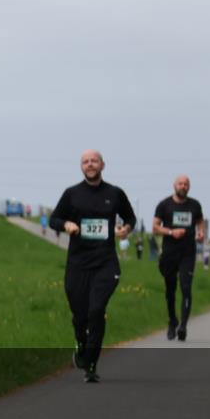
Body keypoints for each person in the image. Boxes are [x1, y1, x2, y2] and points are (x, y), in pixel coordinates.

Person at [50, 150, 136, 382]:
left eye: (94, 161)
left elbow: (131, 218)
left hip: (105, 262)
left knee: (96, 310)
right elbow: (53, 219)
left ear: (102, 165)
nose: (90, 164)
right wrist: (66, 223)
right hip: (78, 263)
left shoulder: (115, 194)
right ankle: (80, 342)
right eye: (85, 162)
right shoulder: (72, 194)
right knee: (80, 315)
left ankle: (91, 364)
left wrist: (125, 229)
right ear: (81, 167)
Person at [152, 175, 205, 342]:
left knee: (186, 287)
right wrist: (170, 232)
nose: (183, 186)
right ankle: (172, 320)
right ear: (174, 185)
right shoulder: (164, 204)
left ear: (189, 187)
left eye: (186, 184)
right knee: (170, 290)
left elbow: (200, 221)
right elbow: (154, 227)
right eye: (180, 183)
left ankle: (183, 325)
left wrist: (201, 232)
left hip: (188, 252)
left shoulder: (195, 205)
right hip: (169, 253)